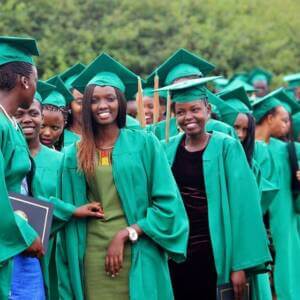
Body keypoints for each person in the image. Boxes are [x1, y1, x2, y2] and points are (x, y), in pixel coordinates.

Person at [56, 53, 189, 300]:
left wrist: (128, 233)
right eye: (94, 100)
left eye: (109, 98)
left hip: (139, 248)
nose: (102, 105)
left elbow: (168, 205)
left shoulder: (146, 144)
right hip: (93, 253)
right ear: (86, 105)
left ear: (120, 101)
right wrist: (74, 210)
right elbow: (58, 203)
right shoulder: (73, 153)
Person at [161, 78, 271, 300]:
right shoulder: (167, 149)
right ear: (174, 116)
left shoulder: (226, 146)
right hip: (178, 254)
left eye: (195, 109)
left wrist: (239, 264)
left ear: (208, 110)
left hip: (217, 253)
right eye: (181, 112)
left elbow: (243, 206)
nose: (188, 117)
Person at [14, 80, 103, 299]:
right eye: (20, 114)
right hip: (18, 243)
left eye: (34, 114)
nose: (28, 119)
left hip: (56, 244)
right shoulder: (10, 158)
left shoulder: (62, 160)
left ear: (41, 116)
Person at [253, 88, 300, 300]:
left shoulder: (285, 149)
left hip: (282, 216)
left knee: (288, 260)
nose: (287, 125)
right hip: (258, 219)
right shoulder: (244, 148)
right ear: (269, 118)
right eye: (283, 120)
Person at [40, 76, 73, 150]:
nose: (47, 133)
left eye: (55, 128)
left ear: (64, 125)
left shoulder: (64, 156)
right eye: (42, 126)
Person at [60, 62, 85, 147]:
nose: (86, 107)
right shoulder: (59, 139)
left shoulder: (104, 136)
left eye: (91, 101)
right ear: (69, 106)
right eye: (80, 102)